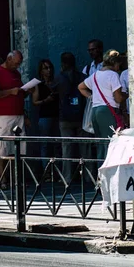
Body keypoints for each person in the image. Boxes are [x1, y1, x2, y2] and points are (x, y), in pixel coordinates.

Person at [0, 50, 29, 189]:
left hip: (18, 114)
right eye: (16, 63)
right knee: (1, 148)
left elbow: (19, 92)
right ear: (8, 59)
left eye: (19, 64)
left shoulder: (16, 73)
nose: (17, 66)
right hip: (2, 115)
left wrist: (25, 91)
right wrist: (10, 92)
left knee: (18, 147)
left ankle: (16, 179)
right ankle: (2, 180)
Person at [78, 50, 127, 163]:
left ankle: (100, 174)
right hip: (108, 112)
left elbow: (81, 87)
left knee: (101, 145)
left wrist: (92, 97)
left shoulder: (95, 75)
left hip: (96, 111)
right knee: (111, 144)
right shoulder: (113, 75)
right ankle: (109, 176)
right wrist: (129, 94)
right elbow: (118, 98)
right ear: (115, 63)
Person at [56, 52, 89, 181]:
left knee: (67, 148)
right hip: (81, 116)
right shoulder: (82, 77)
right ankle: (88, 176)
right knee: (85, 147)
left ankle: (67, 178)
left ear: (63, 64)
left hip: (65, 117)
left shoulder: (59, 78)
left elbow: (52, 89)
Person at [32, 59, 60, 162]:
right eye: (45, 68)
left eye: (50, 68)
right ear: (41, 71)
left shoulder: (56, 82)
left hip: (58, 116)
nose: (49, 70)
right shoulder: (38, 85)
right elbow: (35, 102)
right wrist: (46, 100)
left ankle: (57, 171)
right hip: (45, 116)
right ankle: (46, 173)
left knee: (57, 144)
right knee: (45, 144)